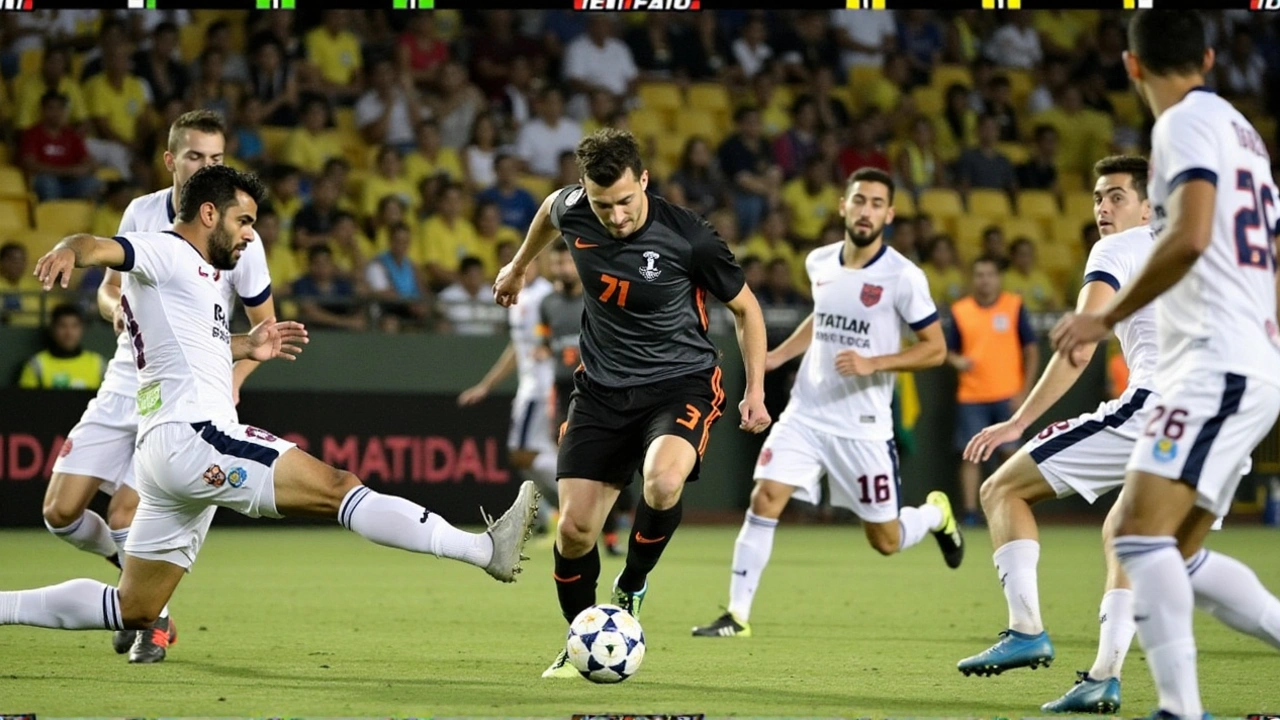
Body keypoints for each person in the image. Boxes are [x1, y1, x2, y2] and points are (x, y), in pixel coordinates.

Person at [3, 165, 540, 655]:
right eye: (243, 220)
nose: (250, 234)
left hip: (164, 453)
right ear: (208, 213)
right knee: (338, 487)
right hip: (196, 437)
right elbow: (99, 245)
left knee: (136, 607)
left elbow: (186, 347)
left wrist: (244, 346)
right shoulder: (167, 251)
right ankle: (481, 549)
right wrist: (71, 250)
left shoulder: (204, 278)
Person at [1052, 11, 1280, 719]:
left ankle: (1180, 711)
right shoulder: (1248, 136)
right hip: (1247, 364)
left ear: (1130, 65)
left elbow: (1189, 236)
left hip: (1213, 367)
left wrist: (1104, 316)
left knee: (1136, 537)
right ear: (1209, 58)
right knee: (1171, 554)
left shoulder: (1180, 126)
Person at [490, 128, 772, 678]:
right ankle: (580, 643)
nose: (616, 216)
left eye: (625, 201)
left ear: (644, 181)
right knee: (573, 532)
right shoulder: (574, 209)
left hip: (681, 381)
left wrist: (755, 388)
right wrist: (521, 264)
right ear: (585, 193)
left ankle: (633, 583)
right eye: (603, 205)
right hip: (599, 390)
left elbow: (748, 310)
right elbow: (550, 208)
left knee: (662, 482)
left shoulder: (690, 237)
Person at [43, 110, 277, 664]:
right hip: (126, 377)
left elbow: (264, 329)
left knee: (125, 513)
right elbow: (110, 290)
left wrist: (232, 380)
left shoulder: (239, 229)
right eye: (196, 157)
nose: (207, 166)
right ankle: (140, 591)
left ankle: (149, 618)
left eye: (217, 158)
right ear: (172, 161)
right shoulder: (142, 212)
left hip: (180, 389)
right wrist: (115, 311)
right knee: (60, 514)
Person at [690, 167, 962, 639]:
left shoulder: (903, 276)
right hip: (806, 413)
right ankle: (736, 615)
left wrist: (875, 363)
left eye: (877, 203)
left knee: (885, 540)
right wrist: (776, 356)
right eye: (859, 201)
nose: (866, 211)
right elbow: (822, 318)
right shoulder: (819, 262)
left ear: (890, 214)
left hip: (863, 425)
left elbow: (935, 348)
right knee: (766, 497)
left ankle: (935, 514)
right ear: (843, 206)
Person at [536, 240, 632, 555]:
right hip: (563, 393)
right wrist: (543, 348)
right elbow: (543, 339)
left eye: (567, 263)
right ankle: (574, 528)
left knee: (612, 463)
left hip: (600, 389)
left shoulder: (598, 298)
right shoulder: (547, 303)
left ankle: (610, 533)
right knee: (571, 460)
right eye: (557, 263)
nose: (562, 269)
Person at [458, 260, 559, 532]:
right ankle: (550, 515)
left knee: (521, 454)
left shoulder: (548, 295)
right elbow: (519, 347)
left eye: (532, 260)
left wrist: (551, 348)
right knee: (532, 455)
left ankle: (581, 497)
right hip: (528, 386)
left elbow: (564, 333)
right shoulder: (521, 295)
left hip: (542, 386)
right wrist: (486, 385)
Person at [947, 257, 1040, 524]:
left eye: (989, 274)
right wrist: (957, 361)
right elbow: (948, 351)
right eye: (979, 275)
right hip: (972, 395)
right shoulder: (960, 310)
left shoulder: (1014, 306)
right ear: (972, 279)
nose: (984, 280)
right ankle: (970, 512)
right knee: (970, 453)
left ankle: (1013, 510)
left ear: (998, 278)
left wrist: (1025, 392)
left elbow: (1031, 350)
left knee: (1011, 453)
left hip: (1008, 394)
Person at [18, 304, 107, 390]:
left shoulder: (98, 364)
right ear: (53, 329)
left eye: (74, 326)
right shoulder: (36, 365)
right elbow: (26, 401)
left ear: (82, 329)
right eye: (62, 326)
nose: (69, 333)